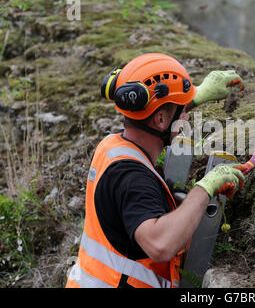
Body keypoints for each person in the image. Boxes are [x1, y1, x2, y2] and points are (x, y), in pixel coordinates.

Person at [65, 53, 245, 288]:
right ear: (161, 119)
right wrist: (204, 189)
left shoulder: (110, 147)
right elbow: (160, 245)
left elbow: (159, 117)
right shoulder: (133, 179)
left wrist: (197, 94)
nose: (186, 116)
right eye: (182, 111)